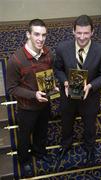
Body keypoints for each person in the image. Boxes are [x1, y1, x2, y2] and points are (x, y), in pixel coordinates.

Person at [54, 15, 101, 162]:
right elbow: (58, 69)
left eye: (86, 33)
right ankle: (66, 144)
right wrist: (65, 82)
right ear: (73, 31)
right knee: (66, 122)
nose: (82, 37)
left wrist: (91, 86)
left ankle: (89, 147)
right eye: (78, 32)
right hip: (68, 96)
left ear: (92, 32)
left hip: (90, 98)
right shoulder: (62, 48)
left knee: (89, 125)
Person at [6, 19, 54, 177]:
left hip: (45, 103)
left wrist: (51, 85)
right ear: (28, 34)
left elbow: (48, 74)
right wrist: (33, 95)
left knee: (42, 131)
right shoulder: (16, 60)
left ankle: (39, 153)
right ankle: (24, 160)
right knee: (24, 135)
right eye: (37, 34)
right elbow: (12, 88)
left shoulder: (48, 53)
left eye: (44, 35)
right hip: (27, 107)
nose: (41, 39)